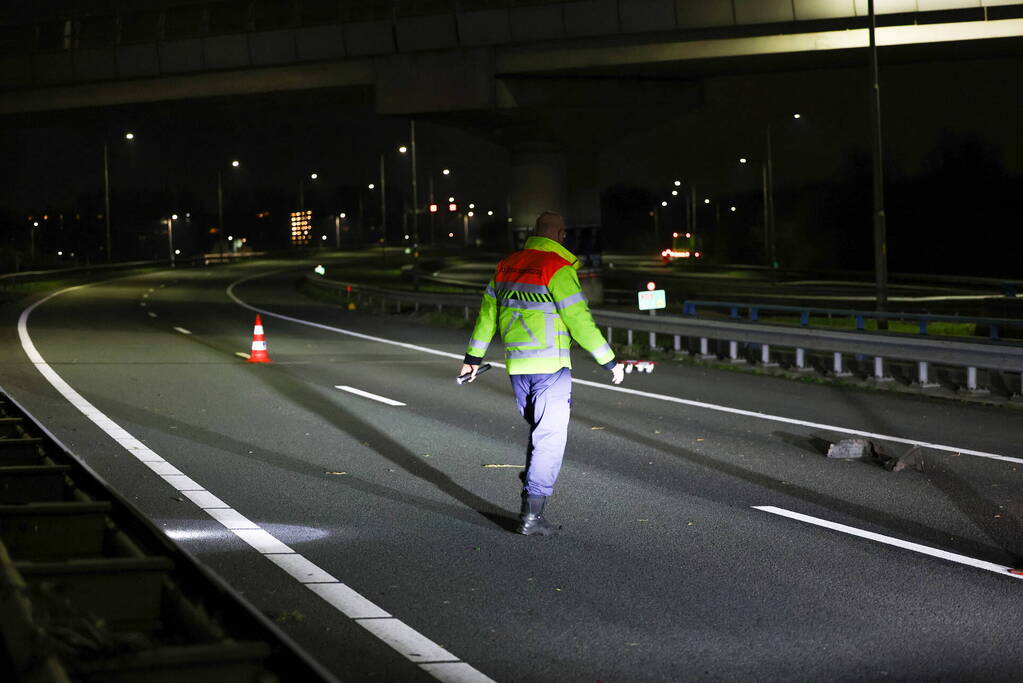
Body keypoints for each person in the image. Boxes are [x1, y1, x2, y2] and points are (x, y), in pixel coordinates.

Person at [459, 211, 625, 536]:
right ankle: (532, 516)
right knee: (550, 438)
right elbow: (579, 320)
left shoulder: (506, 266)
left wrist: (472, 358)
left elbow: (487, 317)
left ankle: (533, 483)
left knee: (539, 432)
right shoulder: (557, 268)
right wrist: (609, 360)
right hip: (550, 367)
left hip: (518, 367)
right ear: (561, 235)